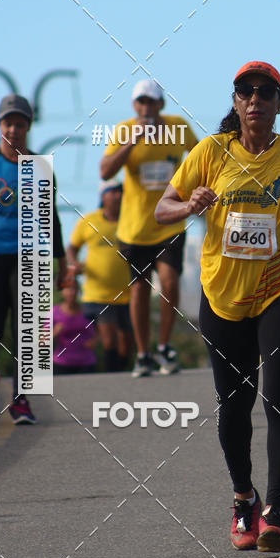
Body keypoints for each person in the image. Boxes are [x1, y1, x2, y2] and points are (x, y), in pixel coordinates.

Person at [155, 61, 280, 552]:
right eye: (245, 91)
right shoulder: (209, 151)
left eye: (265, 91)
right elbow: (162, 208)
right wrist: (189, 205)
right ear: (236, 102)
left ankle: (275, 511)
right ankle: (244, 498)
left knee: (279, 397)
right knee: (234, 406)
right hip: (223, 297)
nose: (255, 98)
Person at [0, 94, 67, 425]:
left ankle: (20, 400)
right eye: (8, 123)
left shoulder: (40, 167)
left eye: (20, 124)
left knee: (26, 330)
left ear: (28, 127)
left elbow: (51, 218)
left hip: (29, 256)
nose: (13, 130)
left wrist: (62, 261)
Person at [100, 78, 198, 377]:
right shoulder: (124, 130)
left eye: (151, 102)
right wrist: (133, 141)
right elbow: (105, 171)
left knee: (169, 281)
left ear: (161, 104)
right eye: (141, 102)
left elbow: (202, 158)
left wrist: (196, 189)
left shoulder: (178, 127)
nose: (146, 107)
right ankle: (143, 354)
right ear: (134, 105)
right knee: (140, 290)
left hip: (170, 223)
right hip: (135, 228)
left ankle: (164, 345)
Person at [67, 179, 133, 372]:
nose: (118, 196)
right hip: (99, 294)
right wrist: (73, 263)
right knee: (109, 339)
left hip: (129, 293)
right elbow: (72, 247)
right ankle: (111, 376)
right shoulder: (88, 221)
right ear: (103, 196)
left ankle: (121, 371)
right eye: (113, 191)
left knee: (127, 342)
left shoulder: (130, 220)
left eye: (121, 191)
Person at [52, 277, 97, 374]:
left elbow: (100, 331)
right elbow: (41, 342)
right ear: (62, 291)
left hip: (87, 363)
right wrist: (54, 332)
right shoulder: (54, 312)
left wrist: (95, 340)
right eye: (68, 289)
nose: (71, 292)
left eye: (74, 288)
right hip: (61, 363)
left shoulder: (88, 310)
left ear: (78, 291)